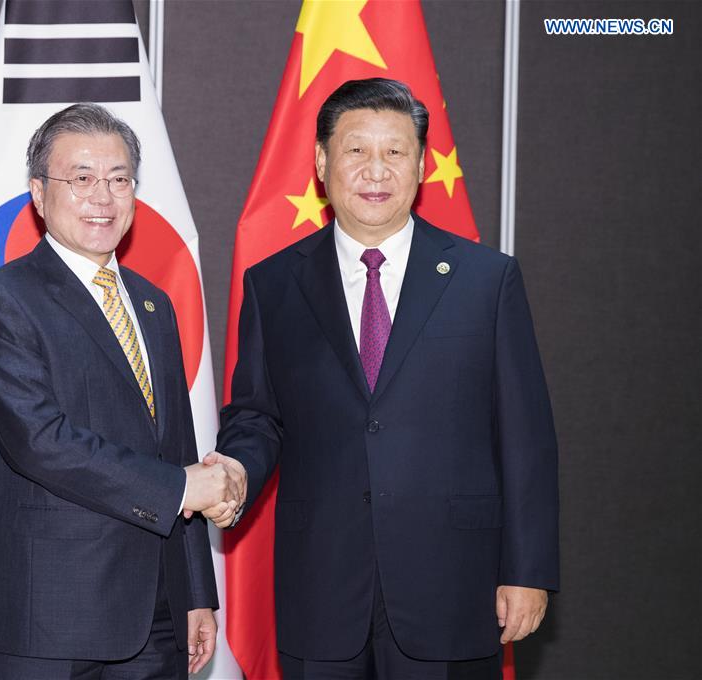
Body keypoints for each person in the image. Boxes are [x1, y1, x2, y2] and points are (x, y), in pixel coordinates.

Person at [213, 78, 559, 679]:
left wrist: (527, 569)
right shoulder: (273, 284)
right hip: (321, 586)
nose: (376, 170)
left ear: (421, 166)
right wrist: (236, 469)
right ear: (322, 163)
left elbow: (525, 436)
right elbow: (257, 415)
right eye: (356, 150)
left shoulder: (486, 280)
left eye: (395, 151)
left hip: (452, 585)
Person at [0, 103, 243, 680]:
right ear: (39, 194)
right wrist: (181, 487)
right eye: (82, 178)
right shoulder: (1, 301)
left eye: (119, 179)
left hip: (157, 618)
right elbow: (40, 442)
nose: (103, 197)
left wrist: (196, 592)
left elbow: (176, 447)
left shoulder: (154, 304)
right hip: (49, 620)